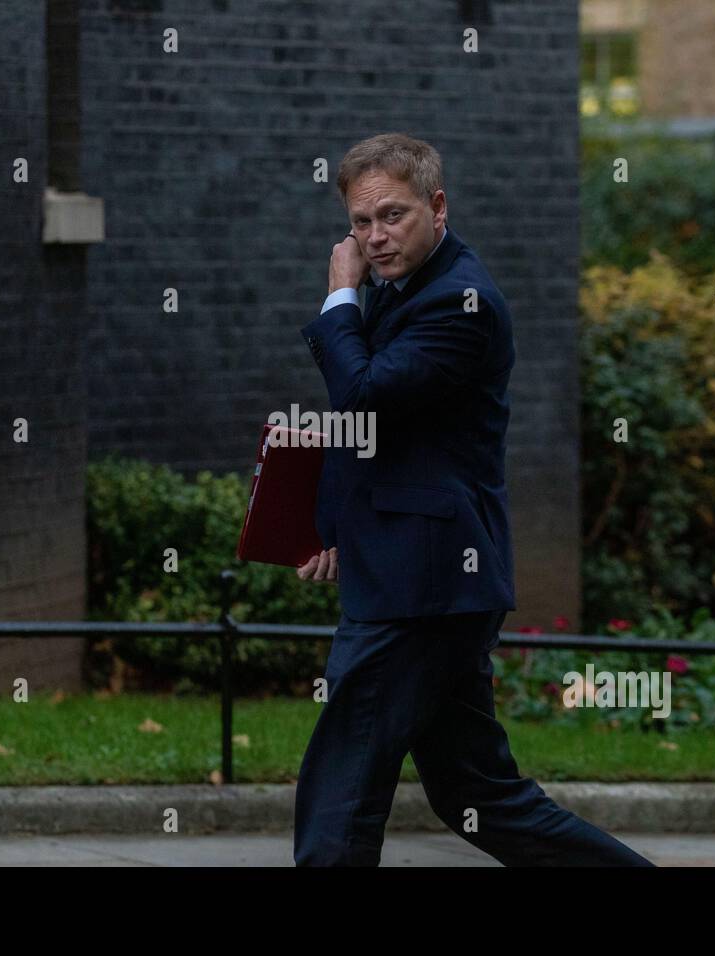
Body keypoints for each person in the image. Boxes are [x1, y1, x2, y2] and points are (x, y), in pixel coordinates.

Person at [293, 132, 654, 867]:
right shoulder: (408, 292)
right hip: (423, 579)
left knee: (341, 787)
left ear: (438, 205)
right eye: (360, 224)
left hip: (420, 589)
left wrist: (340, 293)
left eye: (392, 216)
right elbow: (381, 432)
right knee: (481, 801)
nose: (374, 238)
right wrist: (333, 525)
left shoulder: (462, 303)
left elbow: (362, 394)